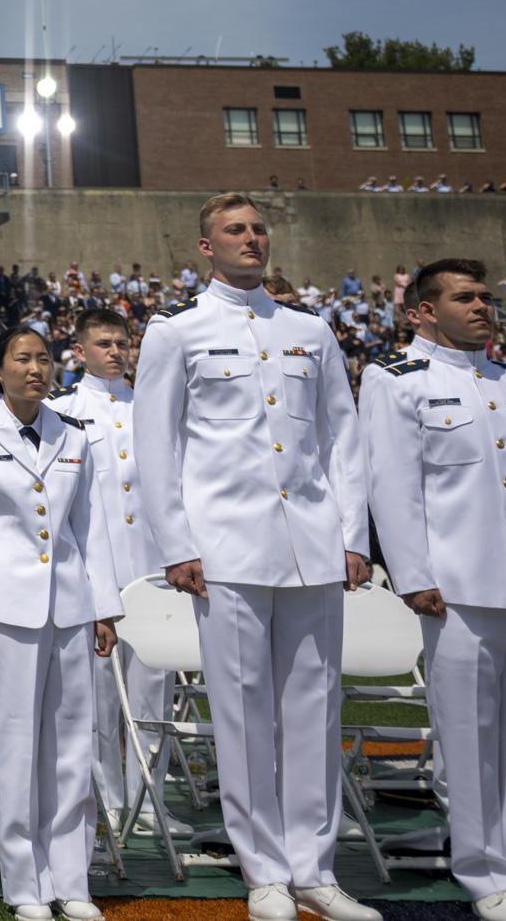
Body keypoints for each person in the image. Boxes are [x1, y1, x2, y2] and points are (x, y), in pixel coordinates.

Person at [135, 194, 376, 921]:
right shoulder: (177, 332)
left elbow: (342, 438)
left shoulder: (311, 330)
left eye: (258, 228)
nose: (250, 238)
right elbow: (157, 447)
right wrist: (176, 545)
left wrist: (352, 534)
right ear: (205, 246)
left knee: (314, 706)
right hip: (226, 547)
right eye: (234, 230)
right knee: (241, 713)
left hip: (309, 542)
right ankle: (264, 867)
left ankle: (316, 865)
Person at [360, 260, 506, 921]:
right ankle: (485, 871)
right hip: (456, 586)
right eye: (465, 296)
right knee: (467, 733)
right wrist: (414, 574)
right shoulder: (396, 382)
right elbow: (392, 486)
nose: (482, 305)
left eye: (486, 296)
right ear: (422, 311)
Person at [0, 326, 121, 921]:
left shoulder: (73, 435)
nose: (35, 369)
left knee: (73, 744)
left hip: (71, 603)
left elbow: (90, 526)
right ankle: (25, 886)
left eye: (44, 359)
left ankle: (72, 880)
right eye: (22, 359)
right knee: (16, 745)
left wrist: (105, 606)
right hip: (6, 609)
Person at [46, 306, 168, 834]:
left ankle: (150, 801)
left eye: (123, 343)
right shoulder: (61, 412)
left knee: (153, 691)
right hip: (95, 570)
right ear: (81, 352)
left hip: (153, 569)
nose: (117, 352)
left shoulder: (154, 407)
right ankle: (107, 800)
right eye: (104, 344)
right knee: (96, 696)